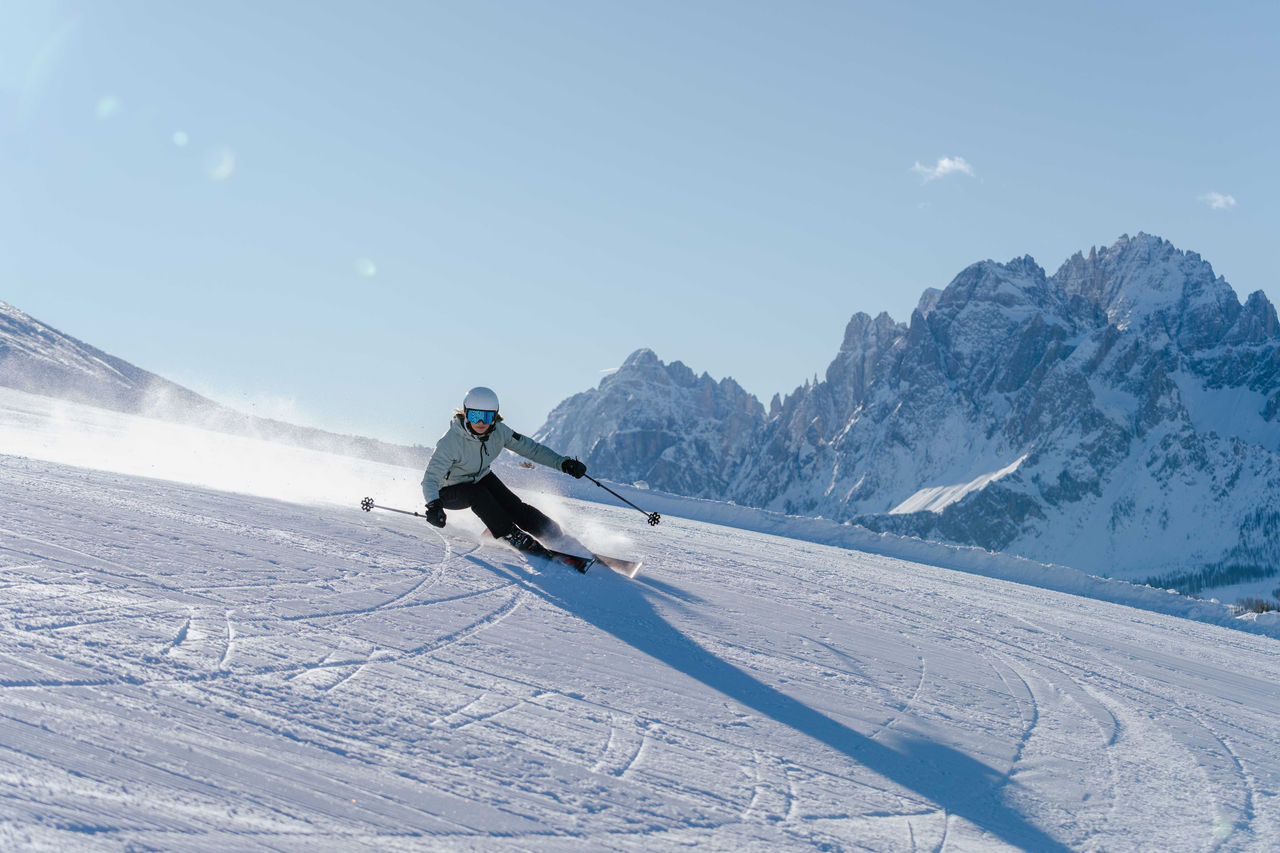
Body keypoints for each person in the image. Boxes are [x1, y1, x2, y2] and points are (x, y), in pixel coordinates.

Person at [421, 386, 588, 556]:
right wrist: (433, 506)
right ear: (466, 413)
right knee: (478, 494)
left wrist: (563, 463)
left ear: (494, 416)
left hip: (479, 478)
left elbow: (532, 449)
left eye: (486, 417)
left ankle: (555, 535)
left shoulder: (499, 432)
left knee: (514, 507)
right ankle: (510, 534)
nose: (481, 422)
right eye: (475, 416)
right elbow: (430, 479)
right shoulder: (451, 441)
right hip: (446, 491)